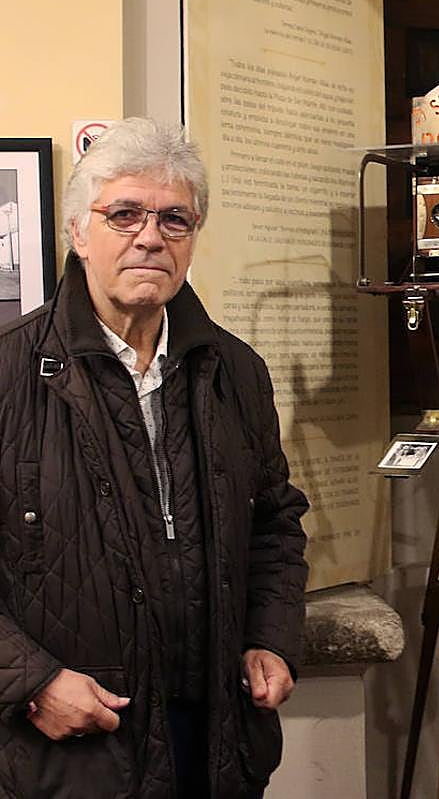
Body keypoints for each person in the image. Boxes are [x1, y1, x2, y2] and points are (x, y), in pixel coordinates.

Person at [0, 118, 309, 798]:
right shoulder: (8, 372)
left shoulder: (237, 371)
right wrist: (30, 682)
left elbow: (275, 525)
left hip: (218, 741)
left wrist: (273, 636)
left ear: (193, 237)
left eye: (175, 218)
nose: (150, 236)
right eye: (125, 214)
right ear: (78, 232)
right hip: (73, 753)